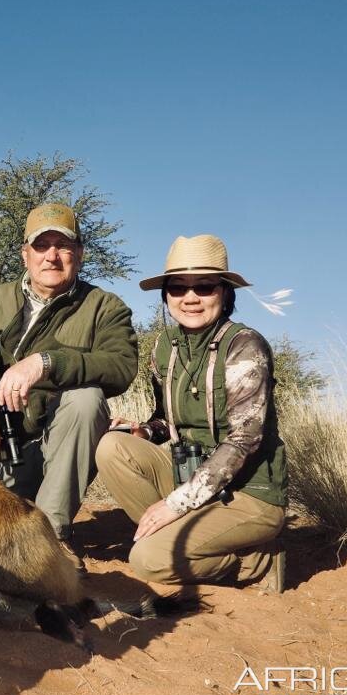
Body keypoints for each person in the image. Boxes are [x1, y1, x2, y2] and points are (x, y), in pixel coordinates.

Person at [0, 203, 137, 571]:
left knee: (86, 400)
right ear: (25, 254)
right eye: (42, 246)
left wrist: (46, 363)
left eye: (64, 245)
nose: (52, 256)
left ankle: (54, 535)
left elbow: (122, 366)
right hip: (2, 456)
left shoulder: (105, 307)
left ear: (80, 253)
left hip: (63, 455)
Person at [96, 234, 288, 592]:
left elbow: (244, 440)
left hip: (249, 493)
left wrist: (175, 504)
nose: (190, 298)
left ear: (225, 293)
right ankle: (179, 535)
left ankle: (252, 560)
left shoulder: (246, 345)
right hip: (192, 477)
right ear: (165, 295)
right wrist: (144, 431)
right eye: (178, 288)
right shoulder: (164, 347)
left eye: (204, 287)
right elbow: (165, 418)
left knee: (146, 560)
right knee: (112, 446)